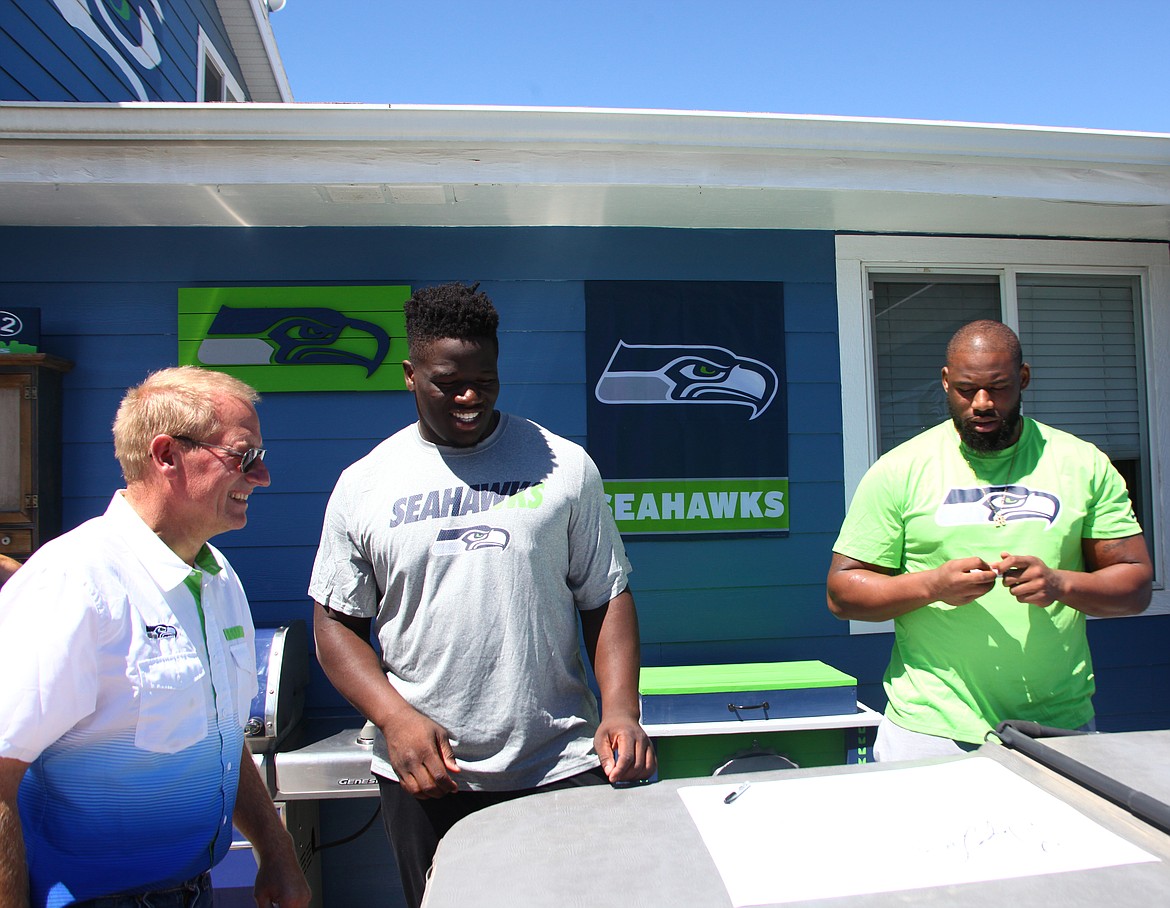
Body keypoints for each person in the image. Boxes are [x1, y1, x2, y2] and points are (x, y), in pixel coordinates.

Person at [310, 282, 655, 908]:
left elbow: (606, 597)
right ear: (410, 375)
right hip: (430, 773)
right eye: (449, 383)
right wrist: (394, 719)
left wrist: (621, 710)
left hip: (559, 762)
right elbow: (336, 625)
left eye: (486, 381)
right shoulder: (364, 483)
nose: (470, 398)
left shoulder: (565, 466)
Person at [0, 366, 311, 908]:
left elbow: (218, 734)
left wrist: (277, 851)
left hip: (193, 892)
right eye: (243, 456)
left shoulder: (217, 578)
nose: (261, 477)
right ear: (166, 455)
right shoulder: (77, 581)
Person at [827, 320, 1152, 762]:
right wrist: (933, 586)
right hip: (930, 730)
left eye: (998, 388)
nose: (982, 403)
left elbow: (1134, 585)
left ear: (1023, 379)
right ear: (945, 382)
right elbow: (842, 593)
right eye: (966, 389)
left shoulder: (1082, 463)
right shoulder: (899, 469)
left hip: (1058, 725)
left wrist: (1059, 585)